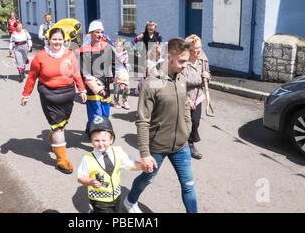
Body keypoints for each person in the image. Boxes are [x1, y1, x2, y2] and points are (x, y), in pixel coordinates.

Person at [123, 38, 197, 213]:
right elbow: (142, 120)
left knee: (188, 185)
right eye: (181, 61)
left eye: (186, 60)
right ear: (169, 57)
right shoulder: (151, 83)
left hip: (181, 145)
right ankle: (129, 201)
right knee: (147, 178)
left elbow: (185, 103)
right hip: (157, 146)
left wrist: (187, 130)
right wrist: (145, 154)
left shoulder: (181, 77)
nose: (185, 65)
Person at [21, 27, 87, 174]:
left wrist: (82, 89)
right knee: (58, 126)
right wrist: (26, 94)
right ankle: (62, 160)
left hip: (67, 95)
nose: (57, 42)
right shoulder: (40, 56)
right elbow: (32, 77)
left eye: (59, 39)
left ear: (64, 40)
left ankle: (53, 136)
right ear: (48, 40)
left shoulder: (69, 54)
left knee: (62, 125)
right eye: (54, 39)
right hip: (49, 95)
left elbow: (76, 73)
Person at [77, 115, 142, 213]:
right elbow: (80, 177)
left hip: (116, 196)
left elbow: (130, 164)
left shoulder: (118, 151)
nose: (100, 143)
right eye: (96, 140)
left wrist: (143, 166)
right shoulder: (88, 159)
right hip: (99, 200)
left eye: (104, 140)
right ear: (91, 140)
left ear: (111, 139)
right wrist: (90, 182)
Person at [76, 20, 115, 134]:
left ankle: (96, 129)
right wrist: (97, 88)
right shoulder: (85, 50)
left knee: (105, 110)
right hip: (92, 86)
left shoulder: (107, 48)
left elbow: (115, 64)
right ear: (90, 34)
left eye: (101, 32)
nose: (100, 35)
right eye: (97, 32)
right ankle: (97, 132)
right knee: (95, 111)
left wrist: (121, 78)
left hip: (105, 84)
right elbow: (86, 72)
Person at [181, 34, 211, 160]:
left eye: (200, 47)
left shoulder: (203, 61)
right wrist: (186, 100)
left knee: (195, 121)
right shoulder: (183, 62)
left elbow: (208, 77)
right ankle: (187, 145)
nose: (199, 50)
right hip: (183, 95)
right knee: (183, 123)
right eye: (196, 48)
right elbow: (178, 83)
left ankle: (190, 142)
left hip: (198, 95)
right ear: (189, 49)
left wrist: (208, 76)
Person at [113, 38, 130, 110]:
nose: (118, 47)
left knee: (127, 88)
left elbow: (125, 64)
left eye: (120, 46)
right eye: (117, 46)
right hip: (116, 73)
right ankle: (116, 101)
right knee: (116, 88)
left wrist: (127, 72)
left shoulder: (125, 54)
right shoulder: (114, 54)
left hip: (123, 72)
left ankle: (125, 101)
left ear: (123, 47)